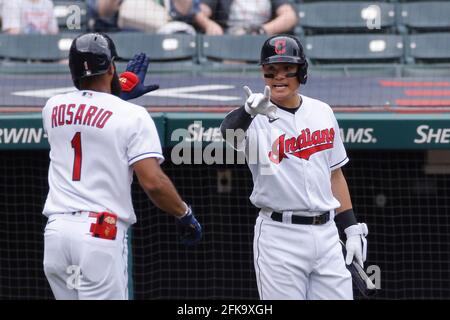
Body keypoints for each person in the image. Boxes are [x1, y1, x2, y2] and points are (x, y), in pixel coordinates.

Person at [41, 33, 202, 300]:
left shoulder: (51, 107)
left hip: (57, 236)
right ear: (112, 67)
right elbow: (153, 182)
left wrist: (118, 97)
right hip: (99, 233)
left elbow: (87, 117)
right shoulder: (133, 116)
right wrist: (184, 213)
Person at [220, 34, 368, 300]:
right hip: (279, 235)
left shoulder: (322, 111)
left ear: (302, 72)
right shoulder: (255, 116)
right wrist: (247, 112)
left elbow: (335, 174)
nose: (279, 77)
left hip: (326, 234)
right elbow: (229, 134)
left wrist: (351, 227)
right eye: (271, 70)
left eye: (288, 69)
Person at [195, 0, 297, 35]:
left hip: (262, 39)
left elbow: (290, 16)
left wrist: (262, 30)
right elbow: (199, 12)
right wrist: (209, 24)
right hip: (230, 39)